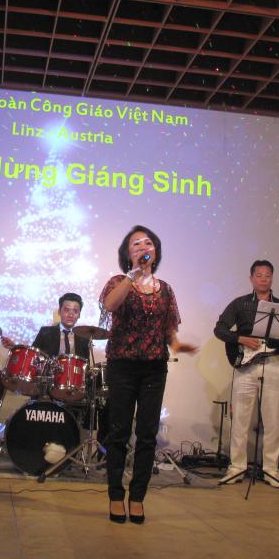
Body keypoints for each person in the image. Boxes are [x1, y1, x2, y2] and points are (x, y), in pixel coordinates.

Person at [99, 225, 197, 524]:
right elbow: (109, 305)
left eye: (148, 243)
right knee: (118, 433)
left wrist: (177, 344)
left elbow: (168, 329)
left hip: (154, 367)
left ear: (156, 251)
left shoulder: (165, 289)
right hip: (122, 365)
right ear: (127, 253)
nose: (144, 247)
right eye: (136, 244)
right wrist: (132, 275)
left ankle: (137, 497)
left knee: (147, 435)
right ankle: (115, 495)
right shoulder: (118, 281)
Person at [214, 260, 279, 488]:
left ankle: (271, 469)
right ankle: (236, 467)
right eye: (259, 275)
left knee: (272, 420)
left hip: (273, 363)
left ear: (272, 278)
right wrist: (240, 338)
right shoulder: (240, 304)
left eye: (268, 275)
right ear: (251, 278)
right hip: (246, 365)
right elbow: (219, 329)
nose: (263, 279)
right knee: (240, 419)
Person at [0, 292, 90, 360]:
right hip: (48, 378)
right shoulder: (45, 332)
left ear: (79, 314)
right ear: (59, 312)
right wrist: (14, 347)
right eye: (66, 310)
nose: (70, 315)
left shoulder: (84, 338)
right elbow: (32, 355)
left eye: (75, 311)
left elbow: (85, 366)